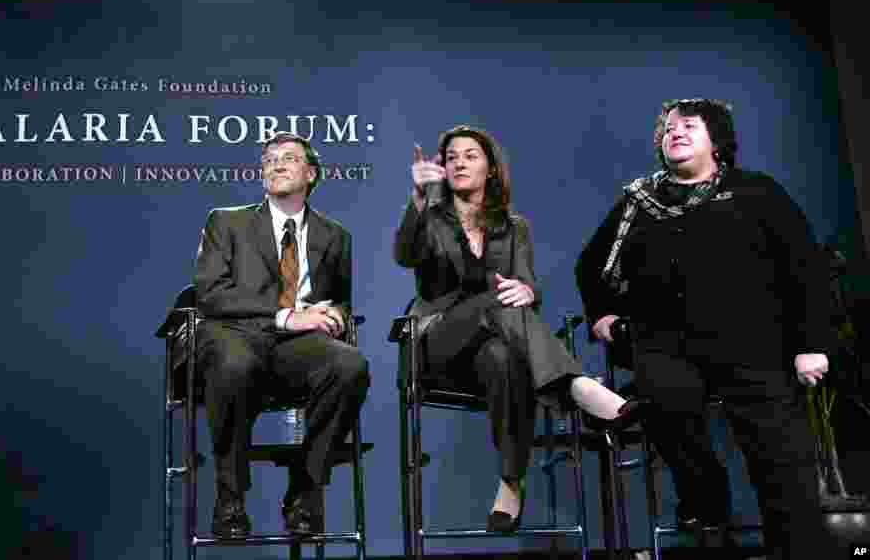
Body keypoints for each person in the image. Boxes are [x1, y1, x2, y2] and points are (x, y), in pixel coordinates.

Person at [575, 98, 833, 558]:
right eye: (669, 128)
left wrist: (811, 345)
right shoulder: (640, 204)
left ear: (717, 140)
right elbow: (592, 265)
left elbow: (805, 268)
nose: (674, 133)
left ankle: (797, 549)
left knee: (780, 461)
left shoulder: (756, 192)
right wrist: (602, 314)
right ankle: (707, 503)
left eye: (688, 126)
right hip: (665, 344)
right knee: (662, 403)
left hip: (754, 343)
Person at [395, 124, 644, 532]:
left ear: (491, 169)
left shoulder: (514, 227)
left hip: (488, 353)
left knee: (503, 356)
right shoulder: (431, 219)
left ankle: (511, 482)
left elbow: (527, 289)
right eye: (452, 156)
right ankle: (577, 386)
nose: (459, 162)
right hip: (438, 345)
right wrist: (419, 201)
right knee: (495, 301)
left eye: (470, 155)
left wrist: (528, 291)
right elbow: (406, 254)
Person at [187, 131, 370, 538]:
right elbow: (211, 293)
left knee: (348, 364)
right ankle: (230, 496)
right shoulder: (227, 221)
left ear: (311, 173)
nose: (277, 164)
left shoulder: (336, 236)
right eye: (269, 160)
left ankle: (305, 490)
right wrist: (286, 315)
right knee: (234, 364)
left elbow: (338, 298)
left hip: (294, 350)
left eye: (288, 158)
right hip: (235, 334)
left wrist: (335, 315)